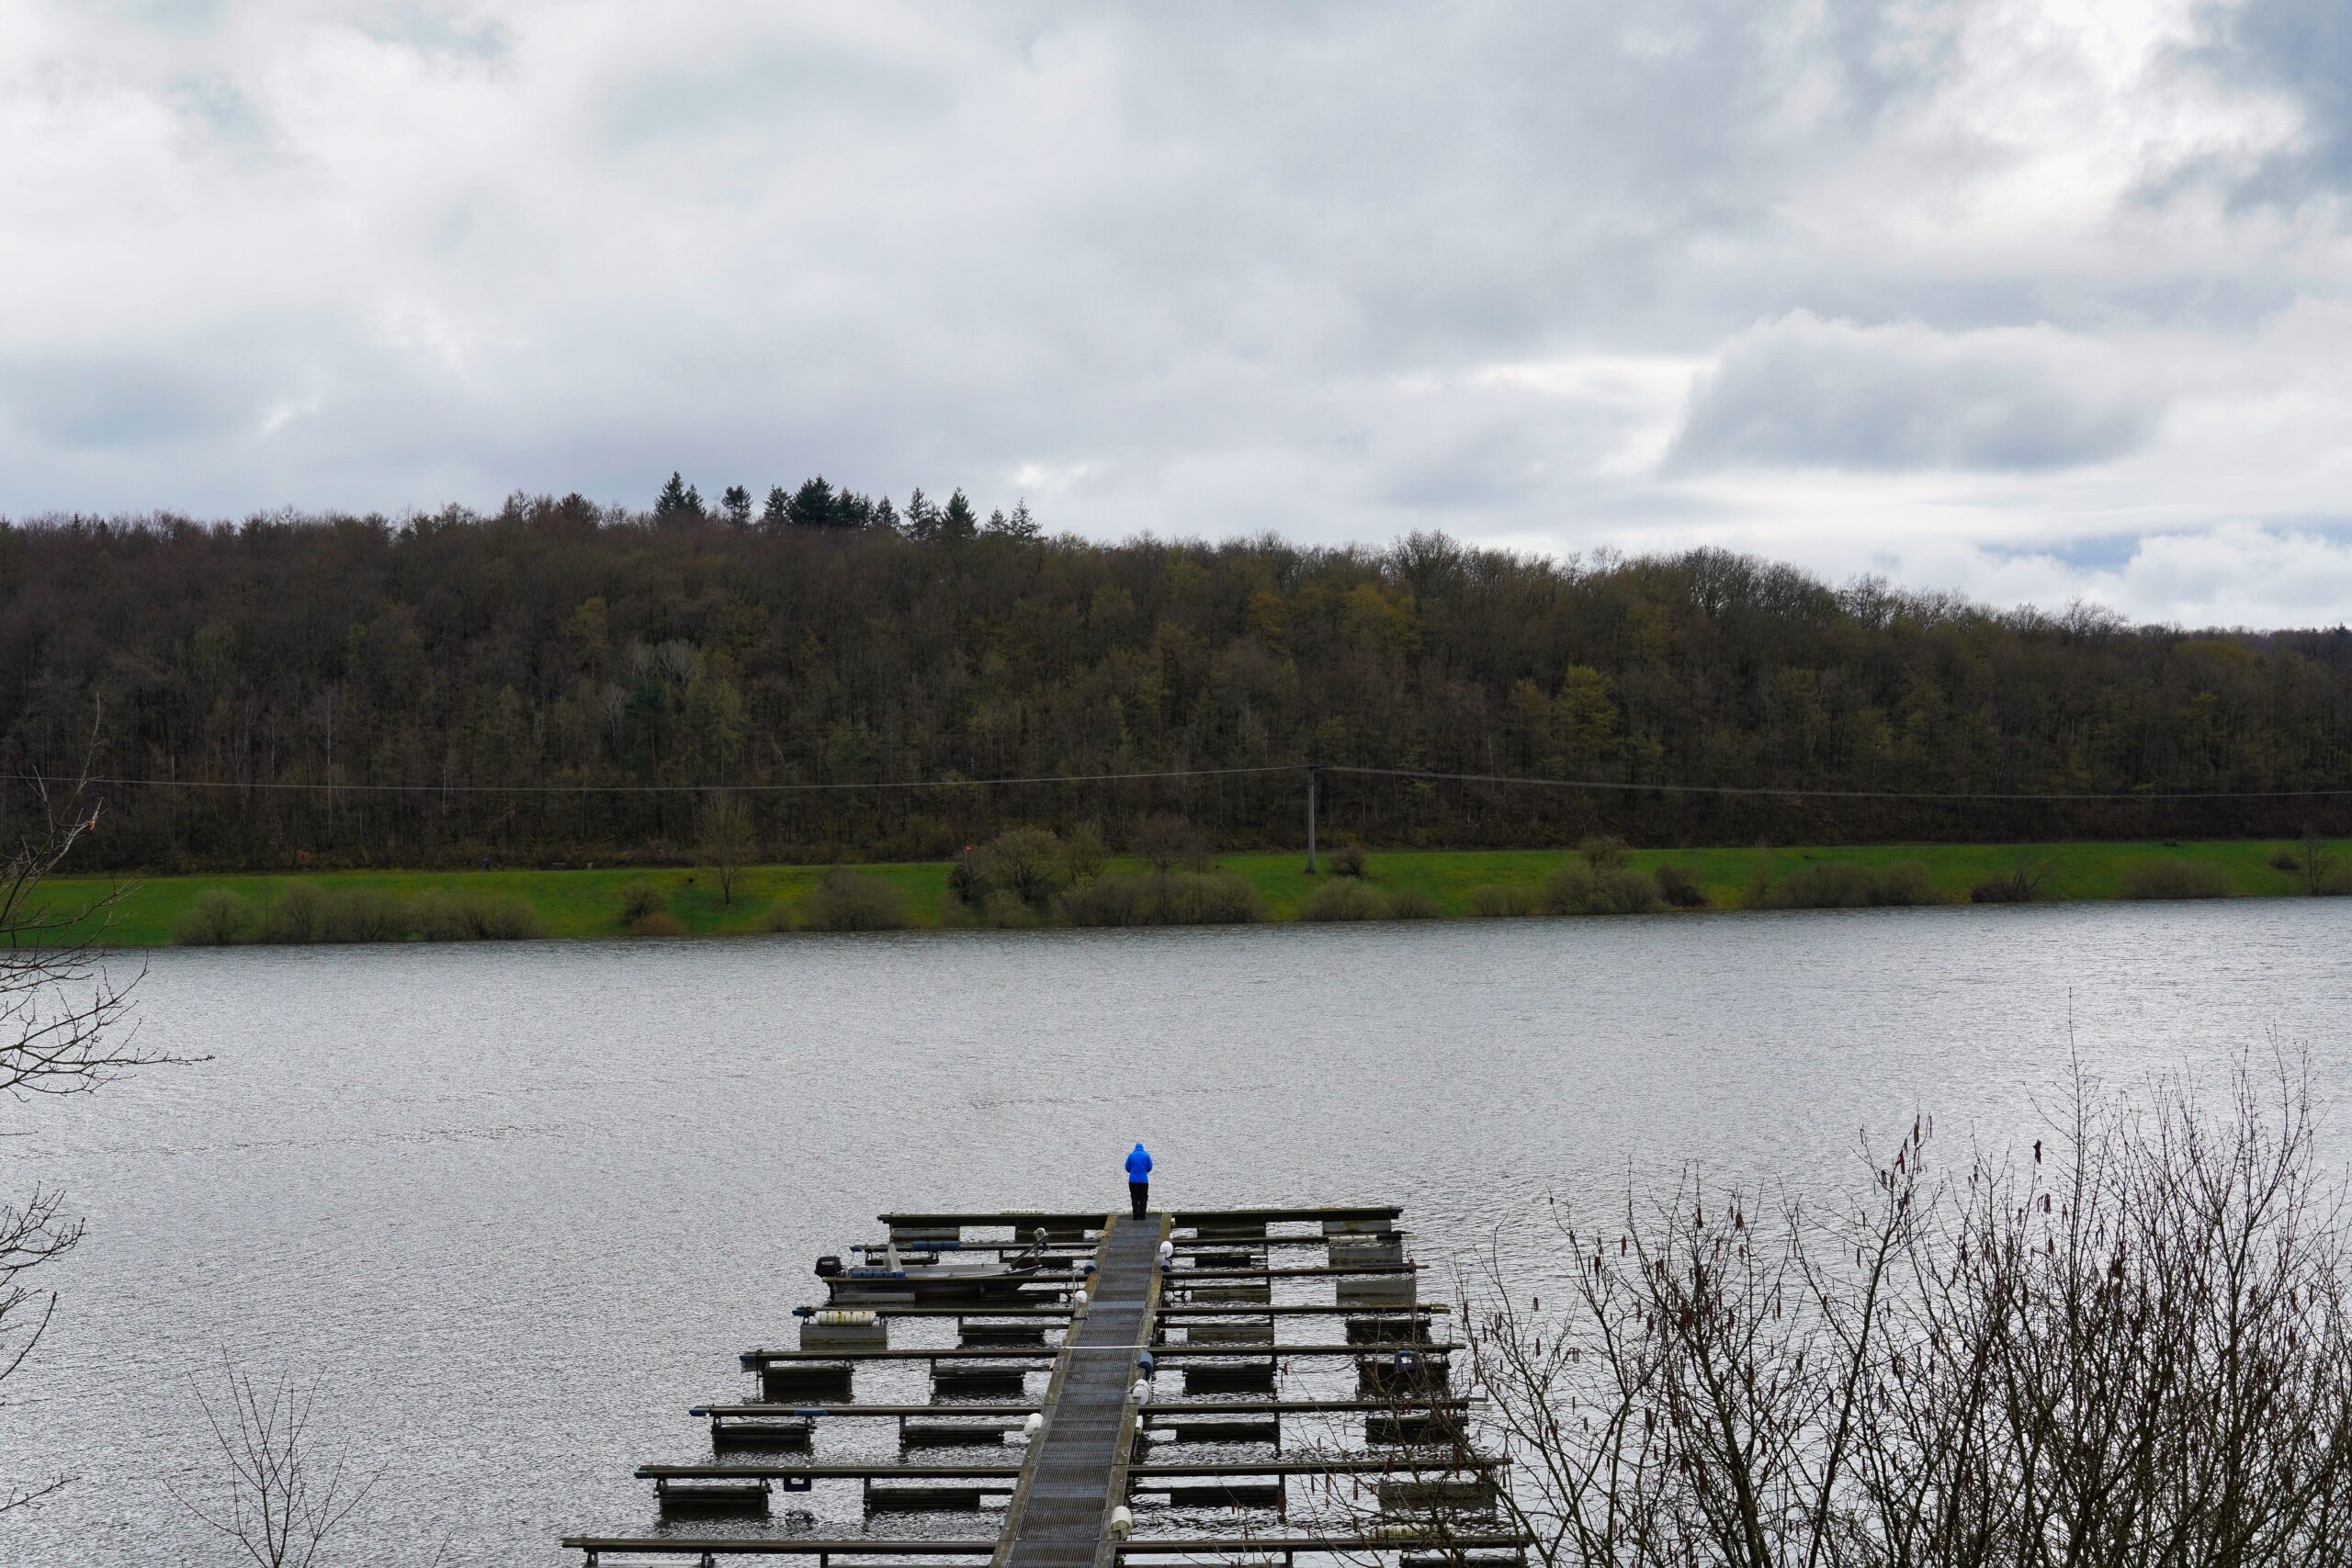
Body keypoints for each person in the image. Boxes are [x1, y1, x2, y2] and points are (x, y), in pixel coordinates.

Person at [1125, 1142, 1153, 1220]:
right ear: (1142, 1148)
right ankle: (1143, 1216)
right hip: (1143, 1181)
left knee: (1134, 1197)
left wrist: (1133, 1172)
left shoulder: (1131, 1155)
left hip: (1133, 1181)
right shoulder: (1146, 1155)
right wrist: (1144, 1171)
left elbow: (1127, 1167)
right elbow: (1150, 1167)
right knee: (1143, 1197)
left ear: (1135, 1148)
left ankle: (1135, 1216)